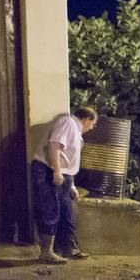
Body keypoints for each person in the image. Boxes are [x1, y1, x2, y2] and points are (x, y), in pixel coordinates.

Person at [31, 106, 97, 264]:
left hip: (63, 174)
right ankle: (46, 252)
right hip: (48, 170)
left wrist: (72, 185)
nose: (92, 127)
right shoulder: (68, 122)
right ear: (86, 119)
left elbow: (70, 160)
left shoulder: (77, 134)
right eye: (93, 123)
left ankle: (68, 248)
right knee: (50, 209)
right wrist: (57, 171)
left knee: (66, 210)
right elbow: (54, 145)